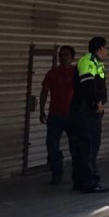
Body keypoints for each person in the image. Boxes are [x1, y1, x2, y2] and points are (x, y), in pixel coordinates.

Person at [69, 37, 109, 193]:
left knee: (84, 146)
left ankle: (81, 181)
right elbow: (88, 85)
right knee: (89, 145)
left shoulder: (97, 63)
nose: (107, 51)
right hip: (86, 110)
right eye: (106, 48)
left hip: (87, 109)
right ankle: (90, 182)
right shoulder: (88, 61)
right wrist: (96, 102)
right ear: (99, 48)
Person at [39, 45, 76, 185]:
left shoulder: (77, 73)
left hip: (72, 115)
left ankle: (77, 173)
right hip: (55, 114)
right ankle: (57, 173)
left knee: (75, 145)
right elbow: (44, 91)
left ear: (72, 57)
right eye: (61, 54)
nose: (63, 57)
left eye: (66, 55)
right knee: (52, 145)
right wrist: (42, 109)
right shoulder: (52, 73)